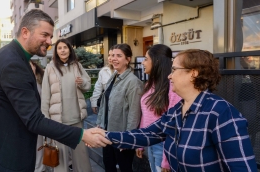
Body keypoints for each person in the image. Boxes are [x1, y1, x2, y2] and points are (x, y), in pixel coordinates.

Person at [0, 9, 111, 172]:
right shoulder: (13, 63)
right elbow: (34, 120)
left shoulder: (11, 56)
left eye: (51, 36)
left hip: (4, 144)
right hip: (10, 152)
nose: (49, 41)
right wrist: (82, 135)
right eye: (44, 35)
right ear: (25, 32)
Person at [96, 49, 258, 171]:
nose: (169, 76)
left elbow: (242, 168)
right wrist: (104, 135)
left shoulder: (221, 113)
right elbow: (148, 134)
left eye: (174, 70)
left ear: (193, 73)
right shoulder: (177, 111)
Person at [41, 38, 92, 172]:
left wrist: (82, 83)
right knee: (61, 158)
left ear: (70, 49)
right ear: (56, 51)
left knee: (81, 157)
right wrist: (45, 119)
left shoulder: (77, 66)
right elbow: (45, 95)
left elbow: (87, 85)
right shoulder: (50, 67)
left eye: (65, 47)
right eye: (59, 48)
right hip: (58, 121)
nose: (63, 50)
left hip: (76, 118)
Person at [96, 43, 144, 172]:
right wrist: (100, 123)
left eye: (118, 55)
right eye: (111, 55)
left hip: (121, 135)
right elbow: (105, 102)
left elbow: (134, 114)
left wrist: (128, 139)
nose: (113, 58)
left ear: (127, 60)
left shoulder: (133, 82)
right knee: (109, 166)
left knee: (125, 167)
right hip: (107, 132)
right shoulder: (114, 76)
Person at [136, 44, 181, 172]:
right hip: (150, 142)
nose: (142, 63)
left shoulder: (172, 86)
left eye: (146, 59)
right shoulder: (149, 85)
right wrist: (141, 143)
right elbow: (145, 117)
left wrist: (166, 160)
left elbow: (174, 125)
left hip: (164, 146)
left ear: (156, 61)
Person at [29, 61, 46, 172]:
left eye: (30, 66)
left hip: (41, 116)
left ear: (35, 66)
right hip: (29, 116)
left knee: (40, 143)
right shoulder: (24, 80)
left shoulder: (42, 79)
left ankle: (40, 168)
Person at [90, 46, 114, 114]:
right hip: (106, 105)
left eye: (113, 55)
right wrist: (94, 103)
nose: (109, 58)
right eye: (109, 55)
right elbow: (98, 88)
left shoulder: (122, 72)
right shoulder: (104, 71)